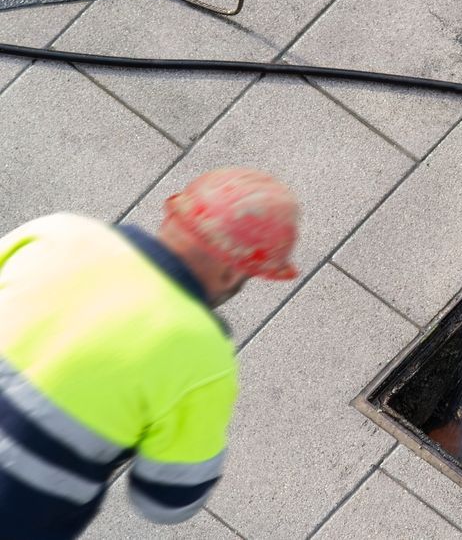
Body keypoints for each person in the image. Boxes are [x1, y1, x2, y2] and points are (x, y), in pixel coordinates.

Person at [0, 167, 299, 539]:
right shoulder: (202, 355)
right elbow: (166, 500)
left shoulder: (57, 233)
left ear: (174, 214)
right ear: (231, 271)